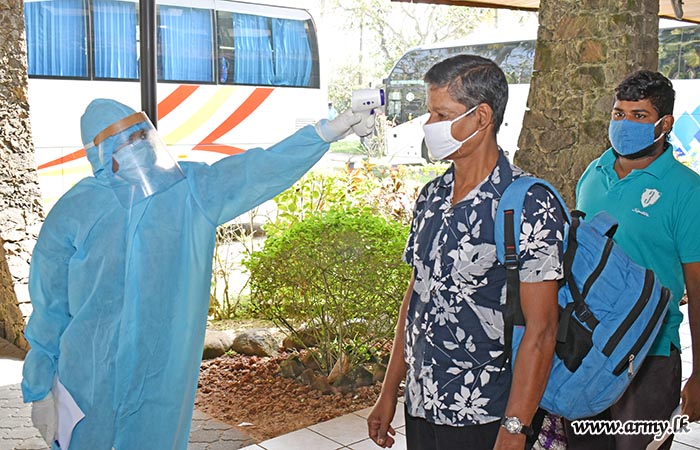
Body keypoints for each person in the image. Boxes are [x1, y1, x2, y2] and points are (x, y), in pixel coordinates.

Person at [21, 98, 375, 450]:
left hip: (160, 374)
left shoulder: (188, 190)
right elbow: (50, 307)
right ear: (99, 152)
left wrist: (324, 132)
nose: (138, 146)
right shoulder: (74, 211)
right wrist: (40, 387)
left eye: (141, 135)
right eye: (125, 141)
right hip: (88, 375)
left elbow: (257, 170)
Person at [366, 54, 567, 450]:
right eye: (430, 113)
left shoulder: (528, 203)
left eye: (442, 115)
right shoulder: (432, 195)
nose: (429, 125)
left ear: (481, 117)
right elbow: (416, 296)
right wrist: (389, 392)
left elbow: (542, 330)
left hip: (485, 413)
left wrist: (515, 428)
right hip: (422, 405)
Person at [564, 70, 700, 449]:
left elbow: (697, 291)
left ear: (665, 124)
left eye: (639, 116)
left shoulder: (688, 191)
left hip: (650, 355)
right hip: (587, 349)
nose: (624, 124)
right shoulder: (594, 173)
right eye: (619, 114)